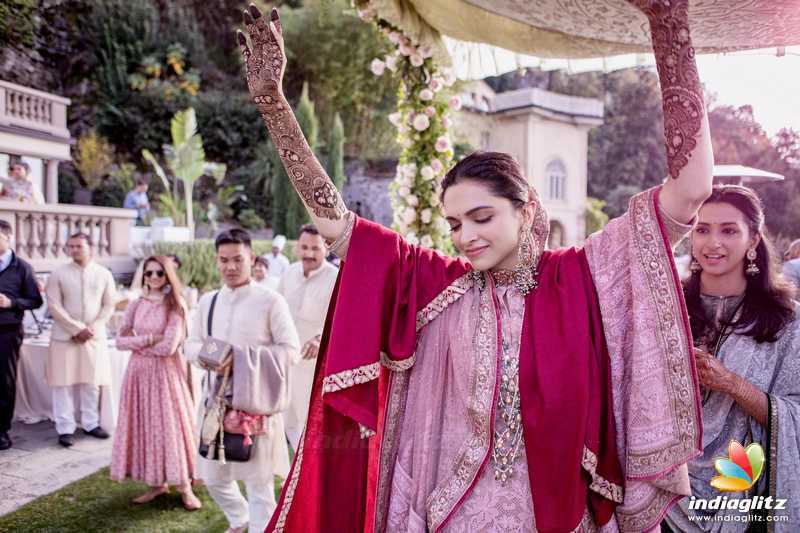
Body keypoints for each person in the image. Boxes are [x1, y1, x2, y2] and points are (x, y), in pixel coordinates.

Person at [237, 1, 714, 531]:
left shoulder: (585, 273)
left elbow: (692, 190)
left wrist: (668, 26)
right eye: (454, 223)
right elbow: (338, 226)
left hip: (557, 510)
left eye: (481, 217)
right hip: (455, 512)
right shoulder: (443, 285)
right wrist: (273, 104)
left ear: (525, 207)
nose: (466, 236)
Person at [663, 186, 799, 532]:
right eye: (702, 229)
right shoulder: (665, 309)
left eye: (729, 230)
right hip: (664, 495)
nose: (712, 243)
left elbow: (797, 412)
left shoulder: (787, 322)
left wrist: (733, 385)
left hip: (745, 498)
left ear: (753, 240)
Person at [185, 228, 300, 533]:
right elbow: (191, 344)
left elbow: (291, 350)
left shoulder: (271, 301)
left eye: (238, 259)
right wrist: (213, 355)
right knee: (212, 476)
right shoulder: (208, 302)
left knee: (258, 483)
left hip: (255, 406)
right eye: (224, 260)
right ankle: (240, 519)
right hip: (215, 404)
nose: (230, 267)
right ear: (216, 261)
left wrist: (241, 359)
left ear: (251, 257)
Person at [110, 255, 201, 510]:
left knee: (170, 426)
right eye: (148, 273)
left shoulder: (176, 305)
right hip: (138, 375)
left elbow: (170, 346)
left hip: (165, 375)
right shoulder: (136, 304)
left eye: (159, 273)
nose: (153, 278)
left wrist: (138, 345)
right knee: (146, 426)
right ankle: (156, 483)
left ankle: (185, 485)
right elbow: (119, 340)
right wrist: (148, 340)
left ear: (168, 275)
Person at [45, 233, 116, 447]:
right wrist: (76, 329)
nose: (74, 250)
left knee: (91, 382)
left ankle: (90, 423)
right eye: (70, 246)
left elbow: (109, 305)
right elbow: (54, 305)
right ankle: (65, 428)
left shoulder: (103, 274)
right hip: (64, 336)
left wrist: (92, 328)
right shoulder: (58, 274)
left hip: (94, 337)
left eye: (78, 246)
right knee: (62, 383)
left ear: (90, 248)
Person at [278, 224, 338, 449]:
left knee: (311, 422)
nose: (309, 253)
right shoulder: (289, 273)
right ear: (297, 248)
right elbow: (275, 312)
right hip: (284, 364)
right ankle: (297, 474)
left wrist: (318, 338)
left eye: (315, 248)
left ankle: (312, 475)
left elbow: (339, 319)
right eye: (304, 247)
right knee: (286, 421)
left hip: (313, 367)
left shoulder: (335, 278)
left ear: (326, 248)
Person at [0, 220, 43, 450]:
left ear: (8, 238)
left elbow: (36, 300)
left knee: (4, 381)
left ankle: (2, 431)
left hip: (7, 331)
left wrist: (11, 302)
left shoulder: (23, 268)